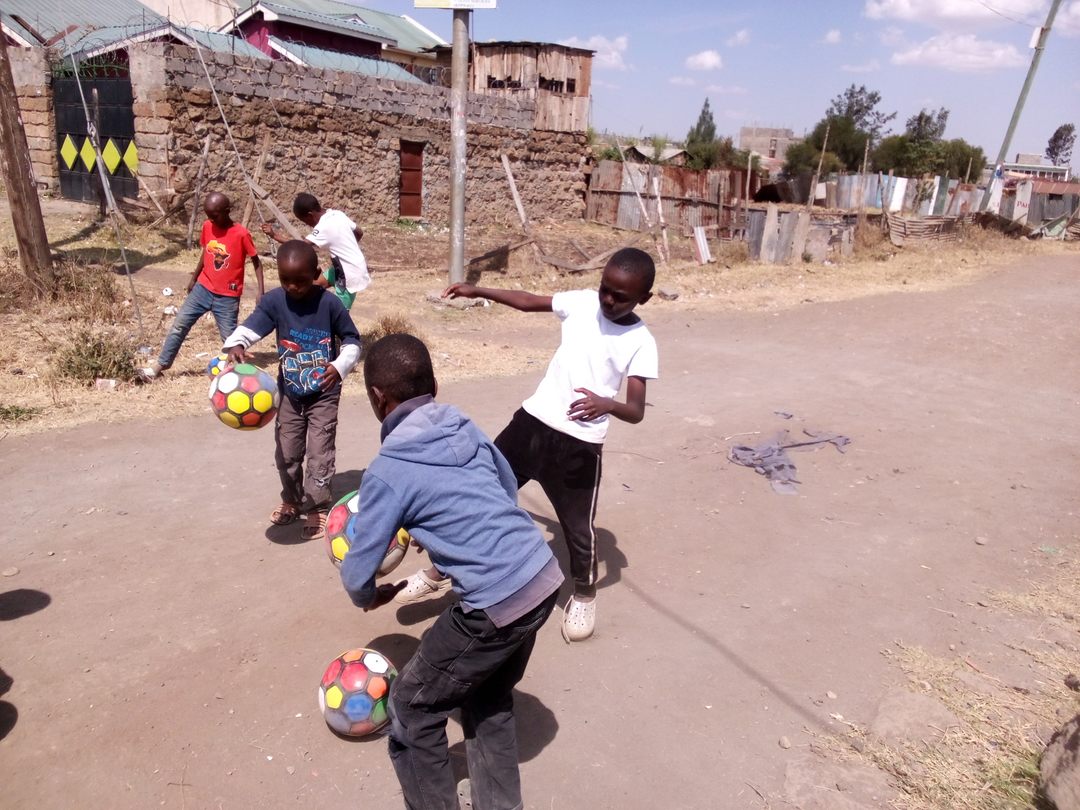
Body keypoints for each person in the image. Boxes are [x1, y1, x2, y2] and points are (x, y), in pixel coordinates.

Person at [340, 333, 562, 810]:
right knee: (487, 696)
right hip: (541, 576)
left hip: (495, 603)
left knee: (412, 706)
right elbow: (505, 486)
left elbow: (358, 568)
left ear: (378, 398)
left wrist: (369, 596)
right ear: (435, 384)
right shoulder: (464, 425)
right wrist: (453, 538)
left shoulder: (388, 470)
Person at [398, 247, 658, 643]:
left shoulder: (641, 341)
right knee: (480, 496)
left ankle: (584, 594)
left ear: (644, 298)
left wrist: (607, 404)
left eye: (619, 296)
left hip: (578, 447)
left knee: (578, 529)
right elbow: (526, 301)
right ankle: (442, 570)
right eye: (604, 288)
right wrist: (477, 290)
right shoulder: (582, 303)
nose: (607, 299)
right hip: (531, 425)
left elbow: (636, 410)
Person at [222, 240, 361, 541]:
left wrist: (339, 366)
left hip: (324, 392)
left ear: (315, 274)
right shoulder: (275, 301)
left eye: (301, 280)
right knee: (287, 451)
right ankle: (292, 499)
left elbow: (352, 340)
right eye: (286, 280)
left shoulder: (329, 304)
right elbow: (253, 326)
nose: (293, 287)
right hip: (289, 393)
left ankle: (316, 506)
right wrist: (238, 343)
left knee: (319, 452)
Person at [139, 191, 264, 381]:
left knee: (231, 340)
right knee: (179, 325)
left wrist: (261, 292)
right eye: (208, 216)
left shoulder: (241, 234)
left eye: (215, 215)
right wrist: (194, 278)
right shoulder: (207, 226)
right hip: (203, 289)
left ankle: (241, 376)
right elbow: (206, 253)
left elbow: (256, 262)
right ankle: (159, 366)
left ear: (227, 211)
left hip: (227, 297)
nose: (211, 220)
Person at [261, 193, 369, 310]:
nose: (308, 225)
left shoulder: (323, 227)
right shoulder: (337, 214)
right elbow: (359, 232)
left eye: (306, 221)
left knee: (339, 313)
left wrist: (274, 235)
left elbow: (300, 246)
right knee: (314, 284)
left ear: (310, 215)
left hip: (349, 273)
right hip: (347, 265)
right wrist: (348, 246)